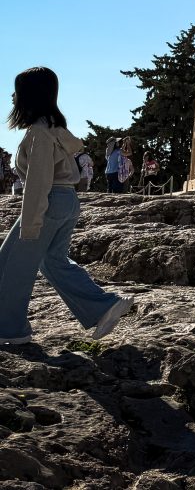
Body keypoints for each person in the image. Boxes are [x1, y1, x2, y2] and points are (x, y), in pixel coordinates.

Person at [1, 67, 132, 346]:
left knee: (11, 265)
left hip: (48, 201)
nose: (12, 96)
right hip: (67, 200)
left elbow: (38, 180)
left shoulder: (38, 132)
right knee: (53, 262)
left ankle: (10, 330)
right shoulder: (56, 129)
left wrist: (31, 223)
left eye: (16, 91)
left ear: (29, 95)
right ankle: (103, 306)